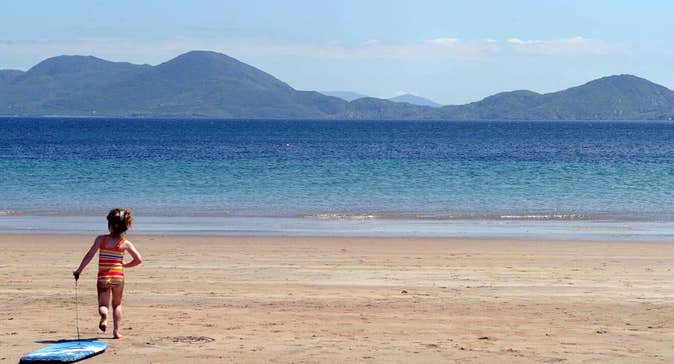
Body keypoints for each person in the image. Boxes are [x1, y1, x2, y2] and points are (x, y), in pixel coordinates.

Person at [73, 208, 143, 339]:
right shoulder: (125, 243)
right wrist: (124, 265)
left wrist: (79, 270)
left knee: (103, 305)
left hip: (103, 278)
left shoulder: (101, 239)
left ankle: (104, 316)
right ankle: (116, 331)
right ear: (126, 226)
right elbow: (138, 260)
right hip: (118, 278)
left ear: (109, 225)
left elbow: (89, 255)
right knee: (117, 304)